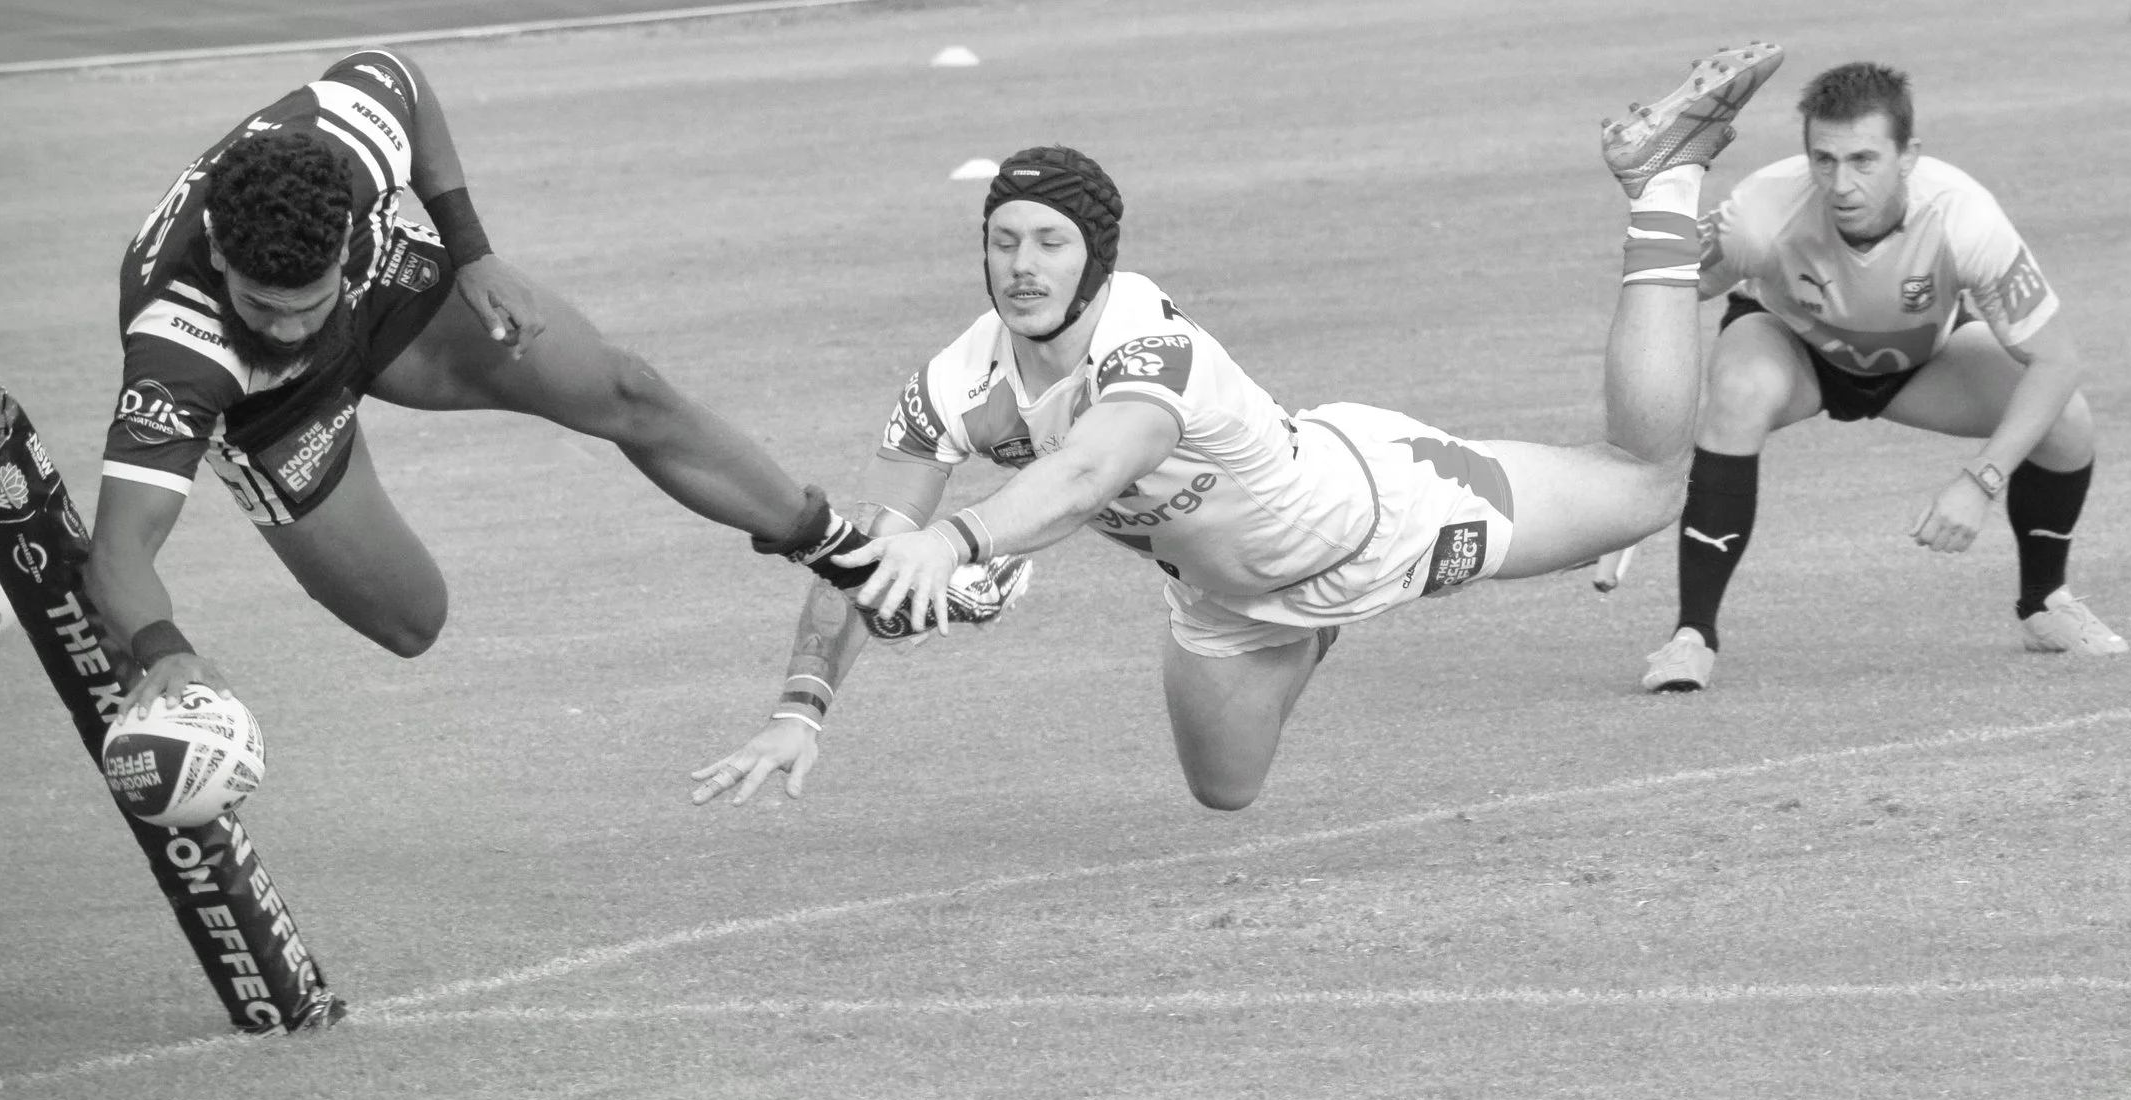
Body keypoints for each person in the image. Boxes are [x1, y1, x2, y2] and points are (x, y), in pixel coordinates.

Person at [690, 43, 1785, 812]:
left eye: (1050, 243)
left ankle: (1661, 182)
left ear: (1096, 258)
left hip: (1379, 516)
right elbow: (868, 547)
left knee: (1648, 483)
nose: (1023, 266)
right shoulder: (952, 385)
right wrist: (802, 707)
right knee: (1226, 790)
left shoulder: (1147, 343)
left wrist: (962, 541)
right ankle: (1307, 628)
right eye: (1004, 240)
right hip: (1223, 597)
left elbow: (1089, 471)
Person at [90, 46, 871, 716]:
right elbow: (120, 549)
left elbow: (401, 78)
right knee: (412, 618)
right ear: (220, 255)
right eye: (265, 306)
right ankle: (277, 441)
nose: (289, 328)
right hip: (267, 404)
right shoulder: (177, 352)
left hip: (378, 286)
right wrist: (164, 649)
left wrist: (471, 252)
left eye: (306, 304)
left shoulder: (347, 144)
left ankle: (846, 556)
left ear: (345, 227)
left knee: (627, 389)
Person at [1637, 59, 2124, 695]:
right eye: (1824, 160)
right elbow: (1662, 295)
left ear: (1908, 156)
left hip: (1920, 362)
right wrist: (1650, 447)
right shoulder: (1760, 210)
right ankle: (1692, 636)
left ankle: (2045, 604)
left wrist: (1981, 480)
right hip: (1794, 349)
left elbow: (2057, 360)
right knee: (1740, 391)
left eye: (1864, 160)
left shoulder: (1964, 217)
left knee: (2066, 418)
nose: (1841, 184)